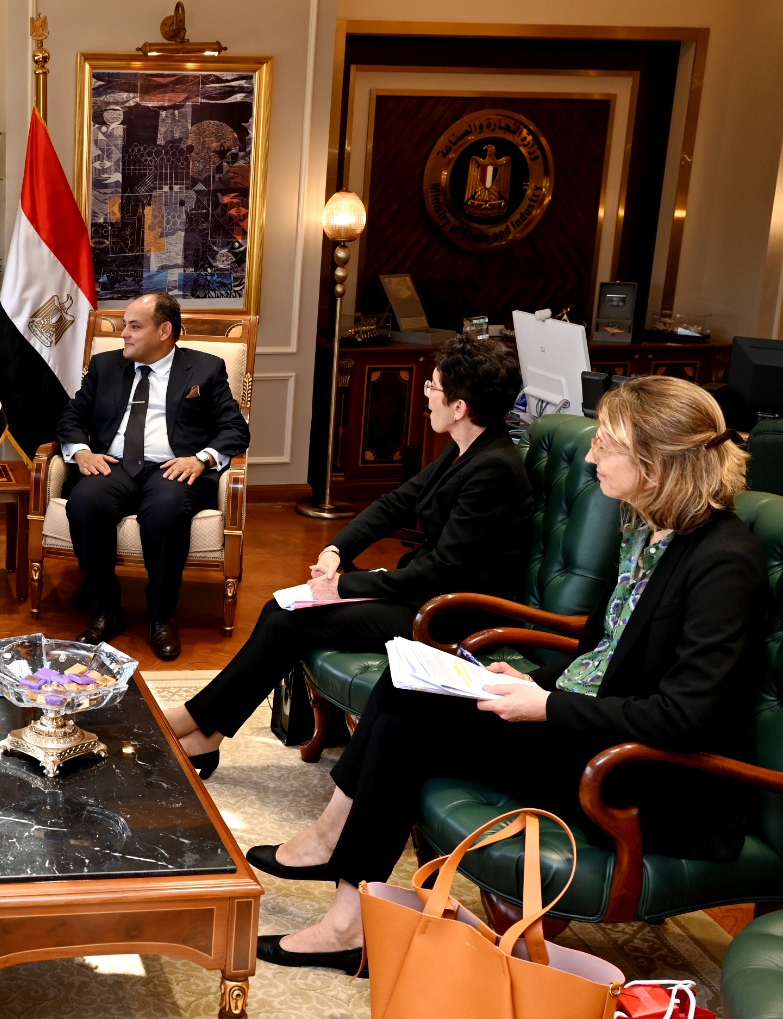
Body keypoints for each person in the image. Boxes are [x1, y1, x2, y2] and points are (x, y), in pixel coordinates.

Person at [250, 375, 765, 975]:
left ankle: (345, 919)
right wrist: (534, 682)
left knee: (404, 728)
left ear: (653, 465)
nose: (591, 456)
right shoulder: (648, 530)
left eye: (605, 444)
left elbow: (686, 715)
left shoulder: (724, 563)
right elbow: (605, 650)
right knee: (407, 685)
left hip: (639, 773)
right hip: (585, 724)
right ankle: (336, 863)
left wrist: (545, 705)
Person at [163, 335, 532, 776]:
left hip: (449, 613)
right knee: (280, 609)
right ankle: (205, 734)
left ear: (459, 407)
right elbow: (396, 503)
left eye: (432, 386)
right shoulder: (465, 446)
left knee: (287, 621)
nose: (426, 394)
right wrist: (336, 550)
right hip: (424, 592)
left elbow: (440, 571)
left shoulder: (494, 468)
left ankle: (194, 725)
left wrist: (342, 586)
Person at [57, 291, 250, 660]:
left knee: (165, 511)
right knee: (85, 502)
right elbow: (72, 416)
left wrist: (201, 459)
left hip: (172, 468)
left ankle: (161, 617)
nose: (123, 334)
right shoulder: (105, 366)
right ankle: (105, 612)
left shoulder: (205, 369)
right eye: (124, 326)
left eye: (134, 326)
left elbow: (234, 429)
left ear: (164, 331)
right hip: (114, 465)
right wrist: (81, 451)